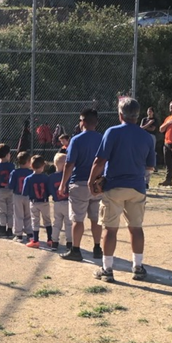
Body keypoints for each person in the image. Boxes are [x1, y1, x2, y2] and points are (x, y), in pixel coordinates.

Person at [88, 97, 156, 282]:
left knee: (110, 229)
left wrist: (91, 180)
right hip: (137, 186)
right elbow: (150, 167)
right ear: (137, 115)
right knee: (136, 228)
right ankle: (138, 267)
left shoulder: (112, 132)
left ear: (120, 115)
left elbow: (99, 161)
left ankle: (107, 269)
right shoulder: (146, 136)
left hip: (114, 186)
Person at [59, 108, 104, 262]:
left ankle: (76, 250)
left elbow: (69, 164)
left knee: (78, 219)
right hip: (98, 184)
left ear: (83, 122)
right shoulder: (102, 138)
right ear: (96, 122)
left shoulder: (76, 140)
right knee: (96, 218)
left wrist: (62, 184)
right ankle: (97, 248)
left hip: (79, 183)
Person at [23, 155, 52, 248]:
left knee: (35, 221)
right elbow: (50, 190)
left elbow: (24, 192)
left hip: (34, 202)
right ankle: (50, 239)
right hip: (44, 202)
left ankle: (35, 240)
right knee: (47, 220)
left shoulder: (28, 178)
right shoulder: (46, 178)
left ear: (31, 166)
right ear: (43, 166)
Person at [47, 153, 72, 251]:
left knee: (56, 223)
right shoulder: (69, 176)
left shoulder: (51, 177)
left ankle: (54, 242)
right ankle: (69, 243)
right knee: (69, 223)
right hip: (67, 202)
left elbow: (49, 190)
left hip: (57, 202)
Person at [8, 151, 34, 242]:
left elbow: (11, 186)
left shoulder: (14, 172)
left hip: (17, 195)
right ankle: (30, 233)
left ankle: (18, 234)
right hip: (28, 196)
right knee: (28, 215)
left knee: (18, 215)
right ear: (28, 161)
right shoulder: (31, 172)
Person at [139, 107, 158, 189]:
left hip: (151, 136)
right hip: (143, 136)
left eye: (150, 111)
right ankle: (141, 179)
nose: (149, 112)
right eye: (148, 111)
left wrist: (146, 126)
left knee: (150, 154)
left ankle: (147, 181)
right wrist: (149, 123)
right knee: (143, 155)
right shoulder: (144, 119)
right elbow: (141, 128)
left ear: (153, 112)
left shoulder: (155, 120)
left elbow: (153, 129)